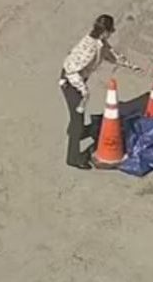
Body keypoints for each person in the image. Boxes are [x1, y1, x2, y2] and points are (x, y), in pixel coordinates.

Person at [58, 14, 142, 169]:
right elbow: (70, 70)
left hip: (76, 82)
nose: (111, 34)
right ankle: (73, 157)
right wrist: (83, 91)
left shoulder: (99, 42)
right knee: (77, 119)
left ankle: (78, 132)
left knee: (77, 117)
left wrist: (130, 65)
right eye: (111, 31)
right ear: (105, 32)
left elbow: (111, 55)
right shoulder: (89, 48)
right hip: (71, 84)